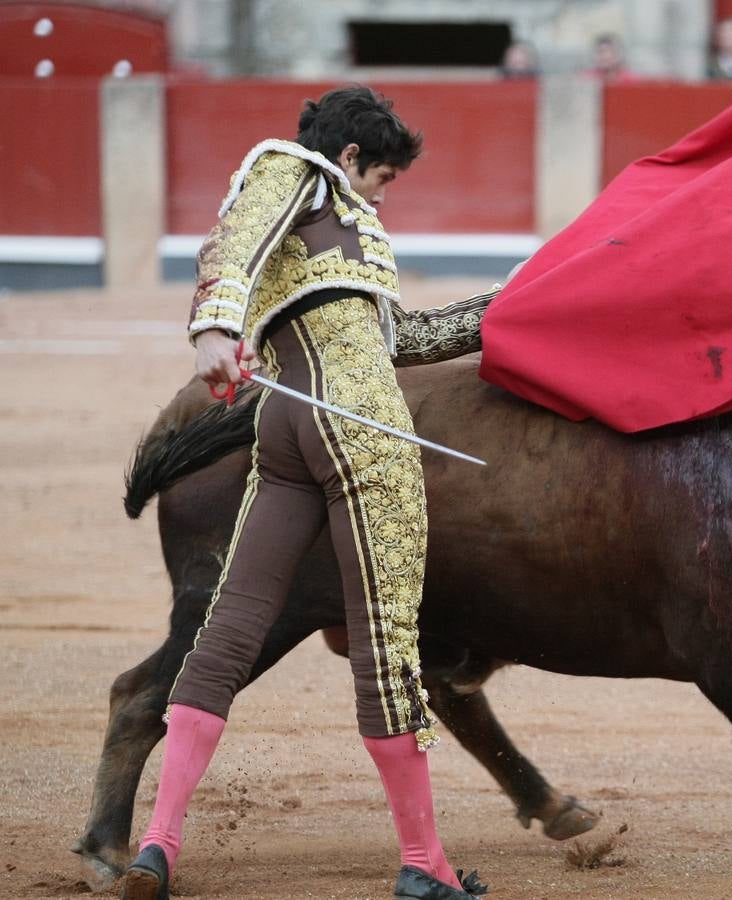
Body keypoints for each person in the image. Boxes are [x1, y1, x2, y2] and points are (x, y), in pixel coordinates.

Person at [121, 84, 493, 900]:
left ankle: (158, 844)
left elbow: (410, 339)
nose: (382, 197)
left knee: (227, 631)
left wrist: (511, 306)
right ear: (351, 155)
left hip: (287, 426)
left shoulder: (344, 235)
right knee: (388, 647)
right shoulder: (299, 171)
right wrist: (213, 328)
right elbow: (233, 243)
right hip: (361, 432)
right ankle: (423, 864)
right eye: (382, 178)